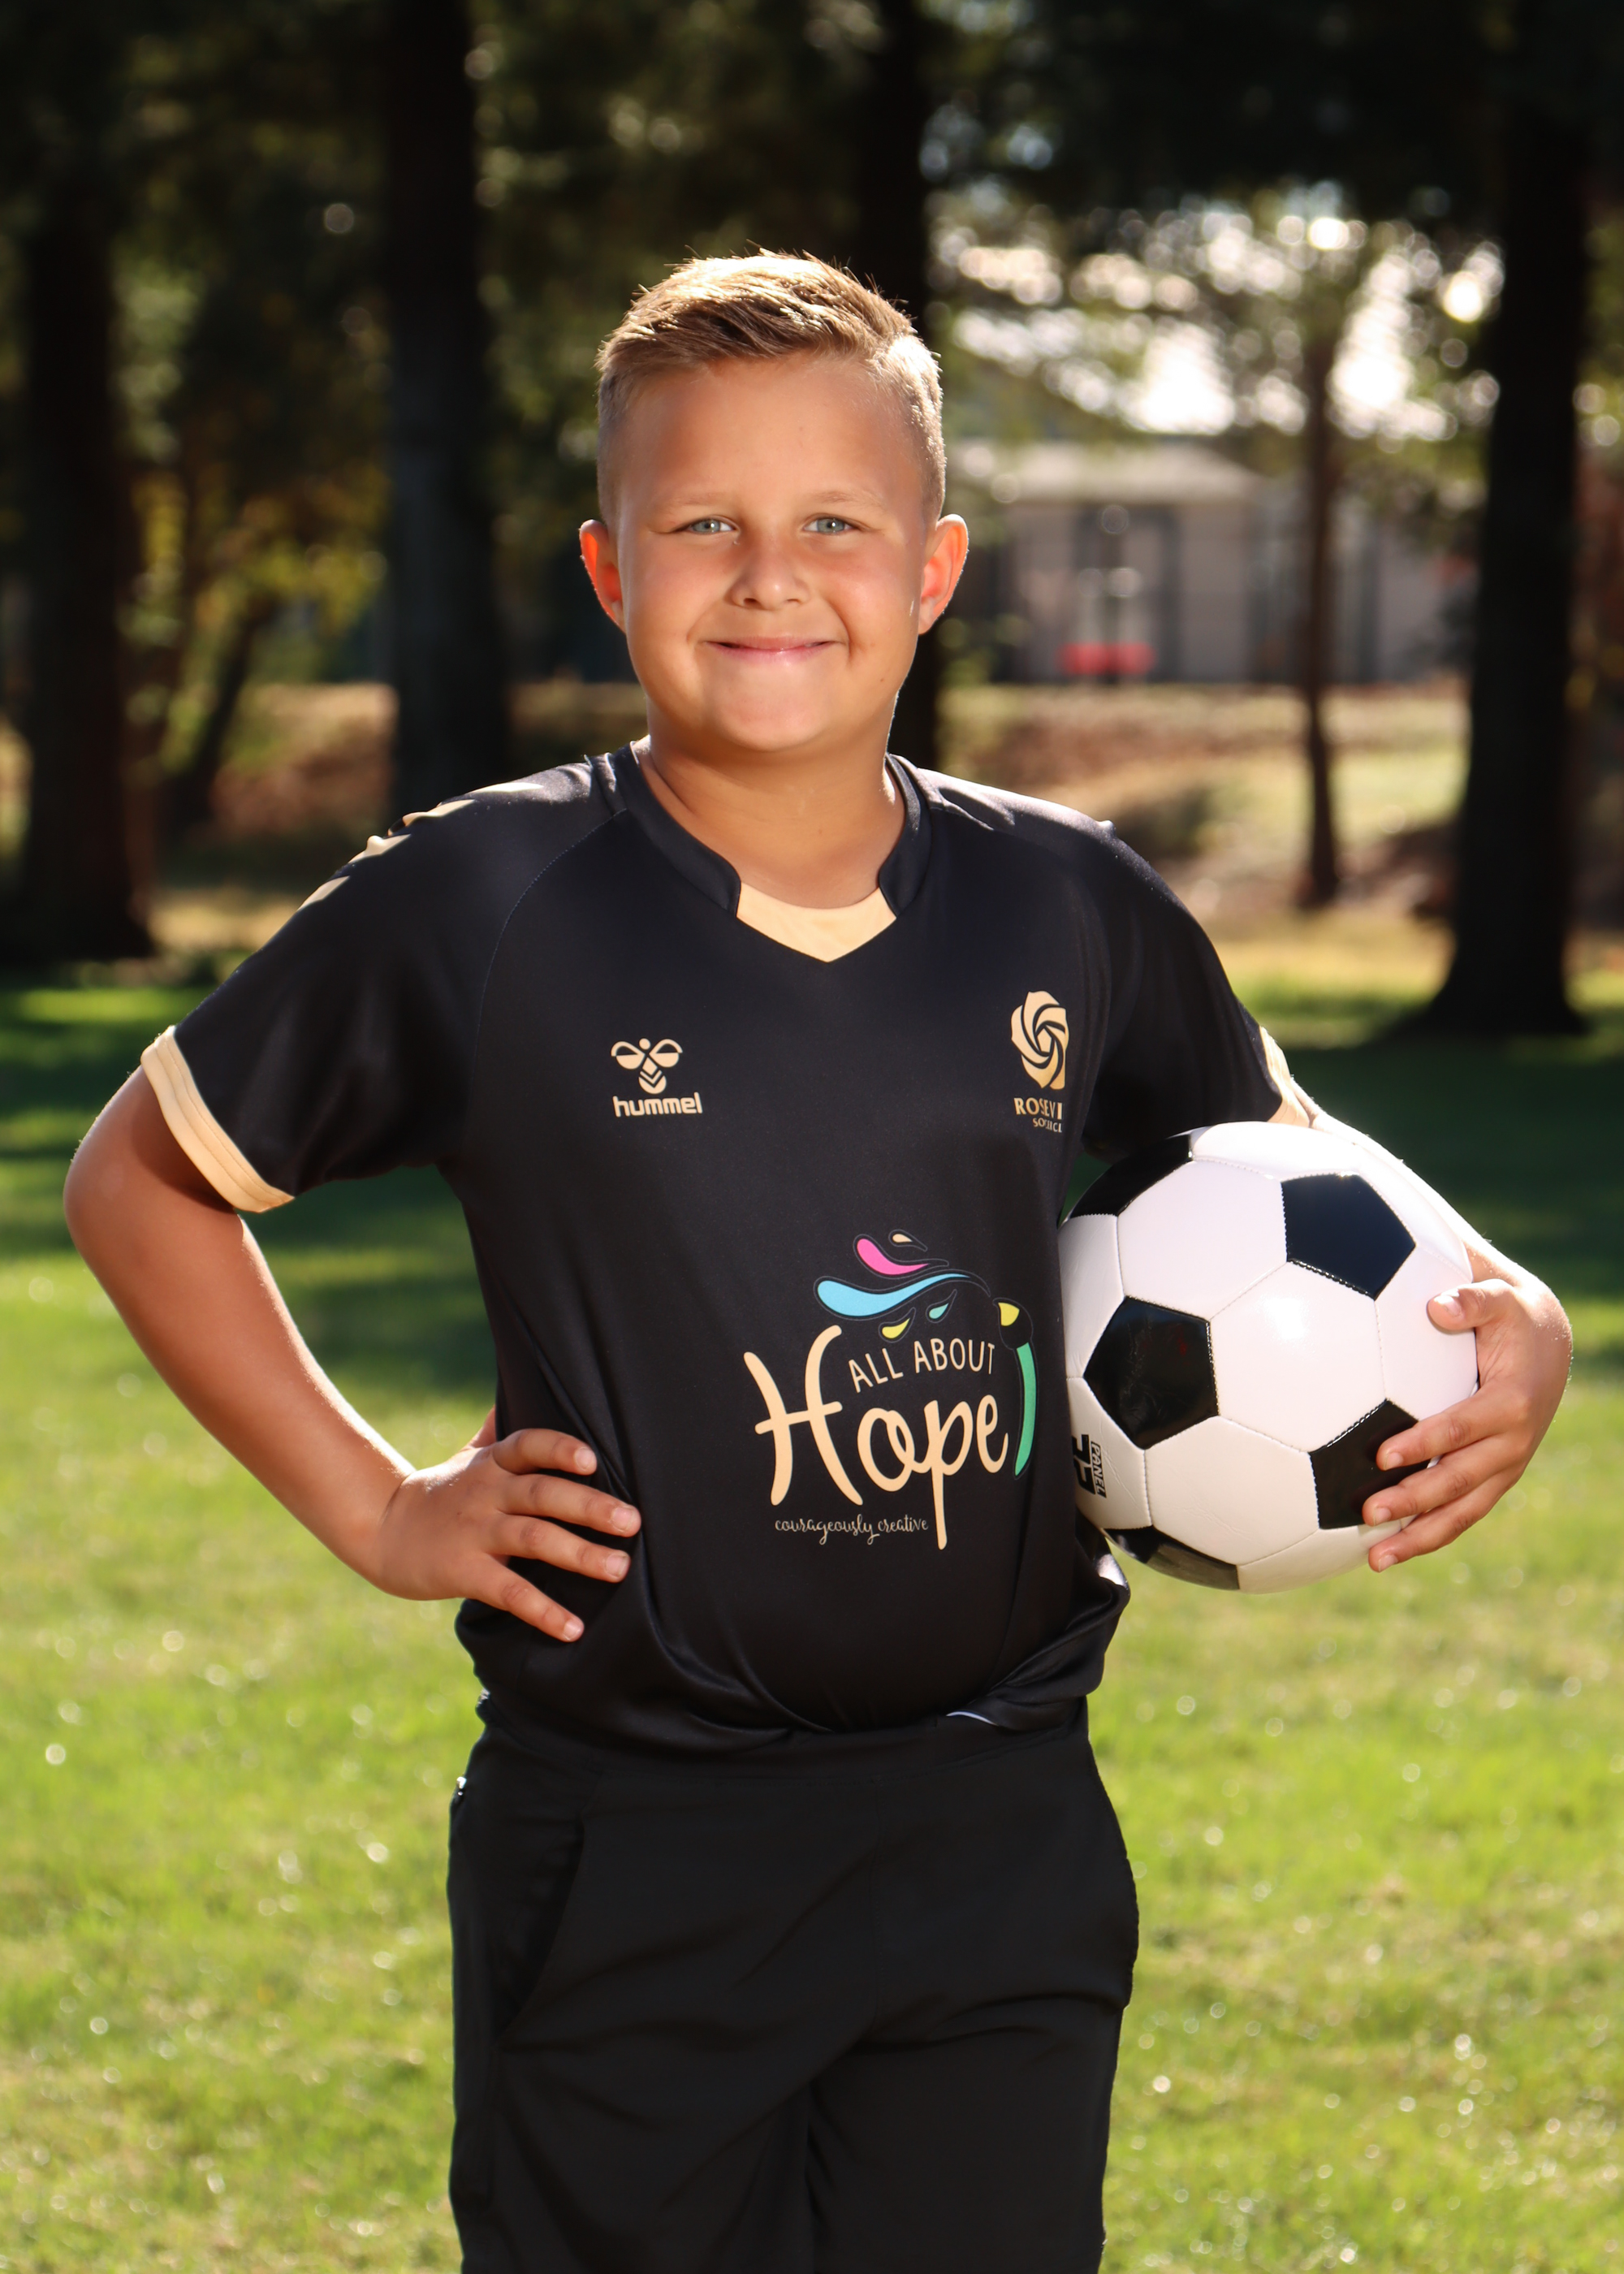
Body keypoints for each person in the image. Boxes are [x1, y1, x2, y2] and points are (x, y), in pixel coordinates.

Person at [64, 255, 1571, 2274]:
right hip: (638, 1836)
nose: (770, 576)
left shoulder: (1068, 902)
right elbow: (139, 1182)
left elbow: (1310, 1173)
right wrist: (380, 1504)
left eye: (835, 524)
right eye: (704, 522)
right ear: (609, 567)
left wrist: (1513, 1309)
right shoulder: (485, 900)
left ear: (934, 569)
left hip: (1001, 1823)